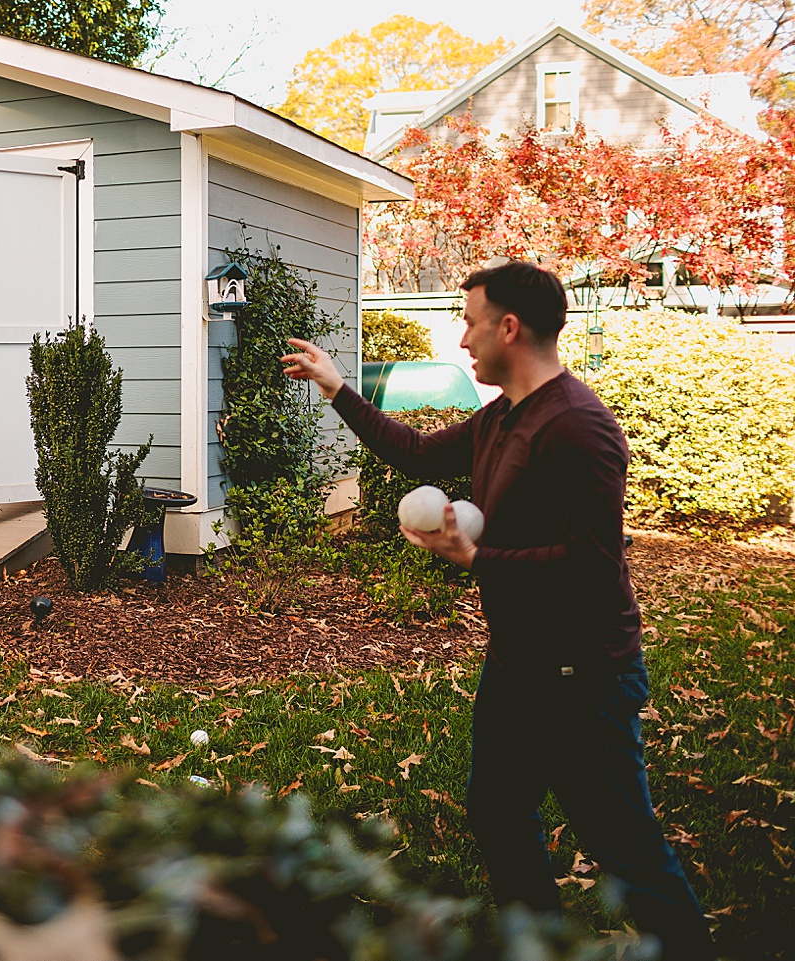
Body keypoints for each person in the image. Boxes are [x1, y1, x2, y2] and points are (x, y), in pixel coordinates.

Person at [281, 261, 714, 960]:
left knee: (623, 846)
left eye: (470, 321)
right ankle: (536, 939)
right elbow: (417, 450)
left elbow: (592, 567)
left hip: (586, 675)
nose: (462, 337)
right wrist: (337, 389)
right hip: (520, 663)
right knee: (498, 810)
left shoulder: (578, 426)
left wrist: (478, 561)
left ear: (509, 327)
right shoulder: (505, 416)